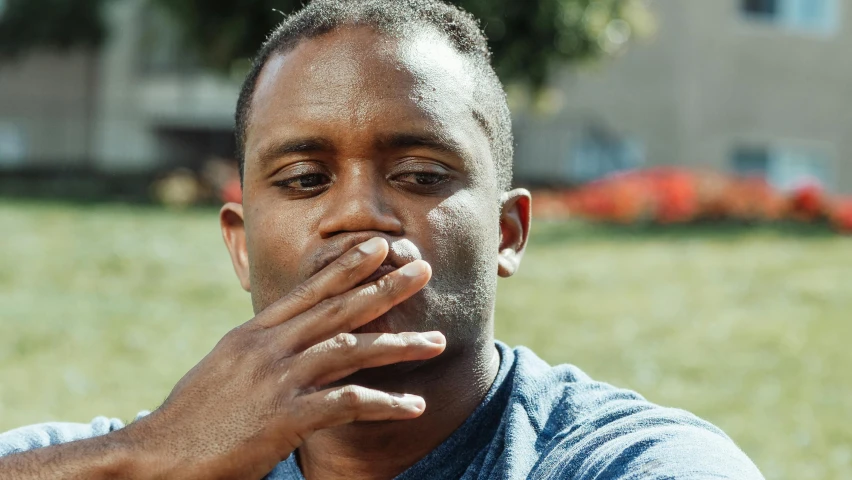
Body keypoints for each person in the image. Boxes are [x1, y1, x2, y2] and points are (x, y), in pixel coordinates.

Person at [0, 0, 765, 478]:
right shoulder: (140, 460)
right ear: (240, 245)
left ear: (507, 231)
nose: (359, 213)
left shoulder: (623, 460)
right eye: (303, 179)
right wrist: (149, 458)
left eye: (423, 175)